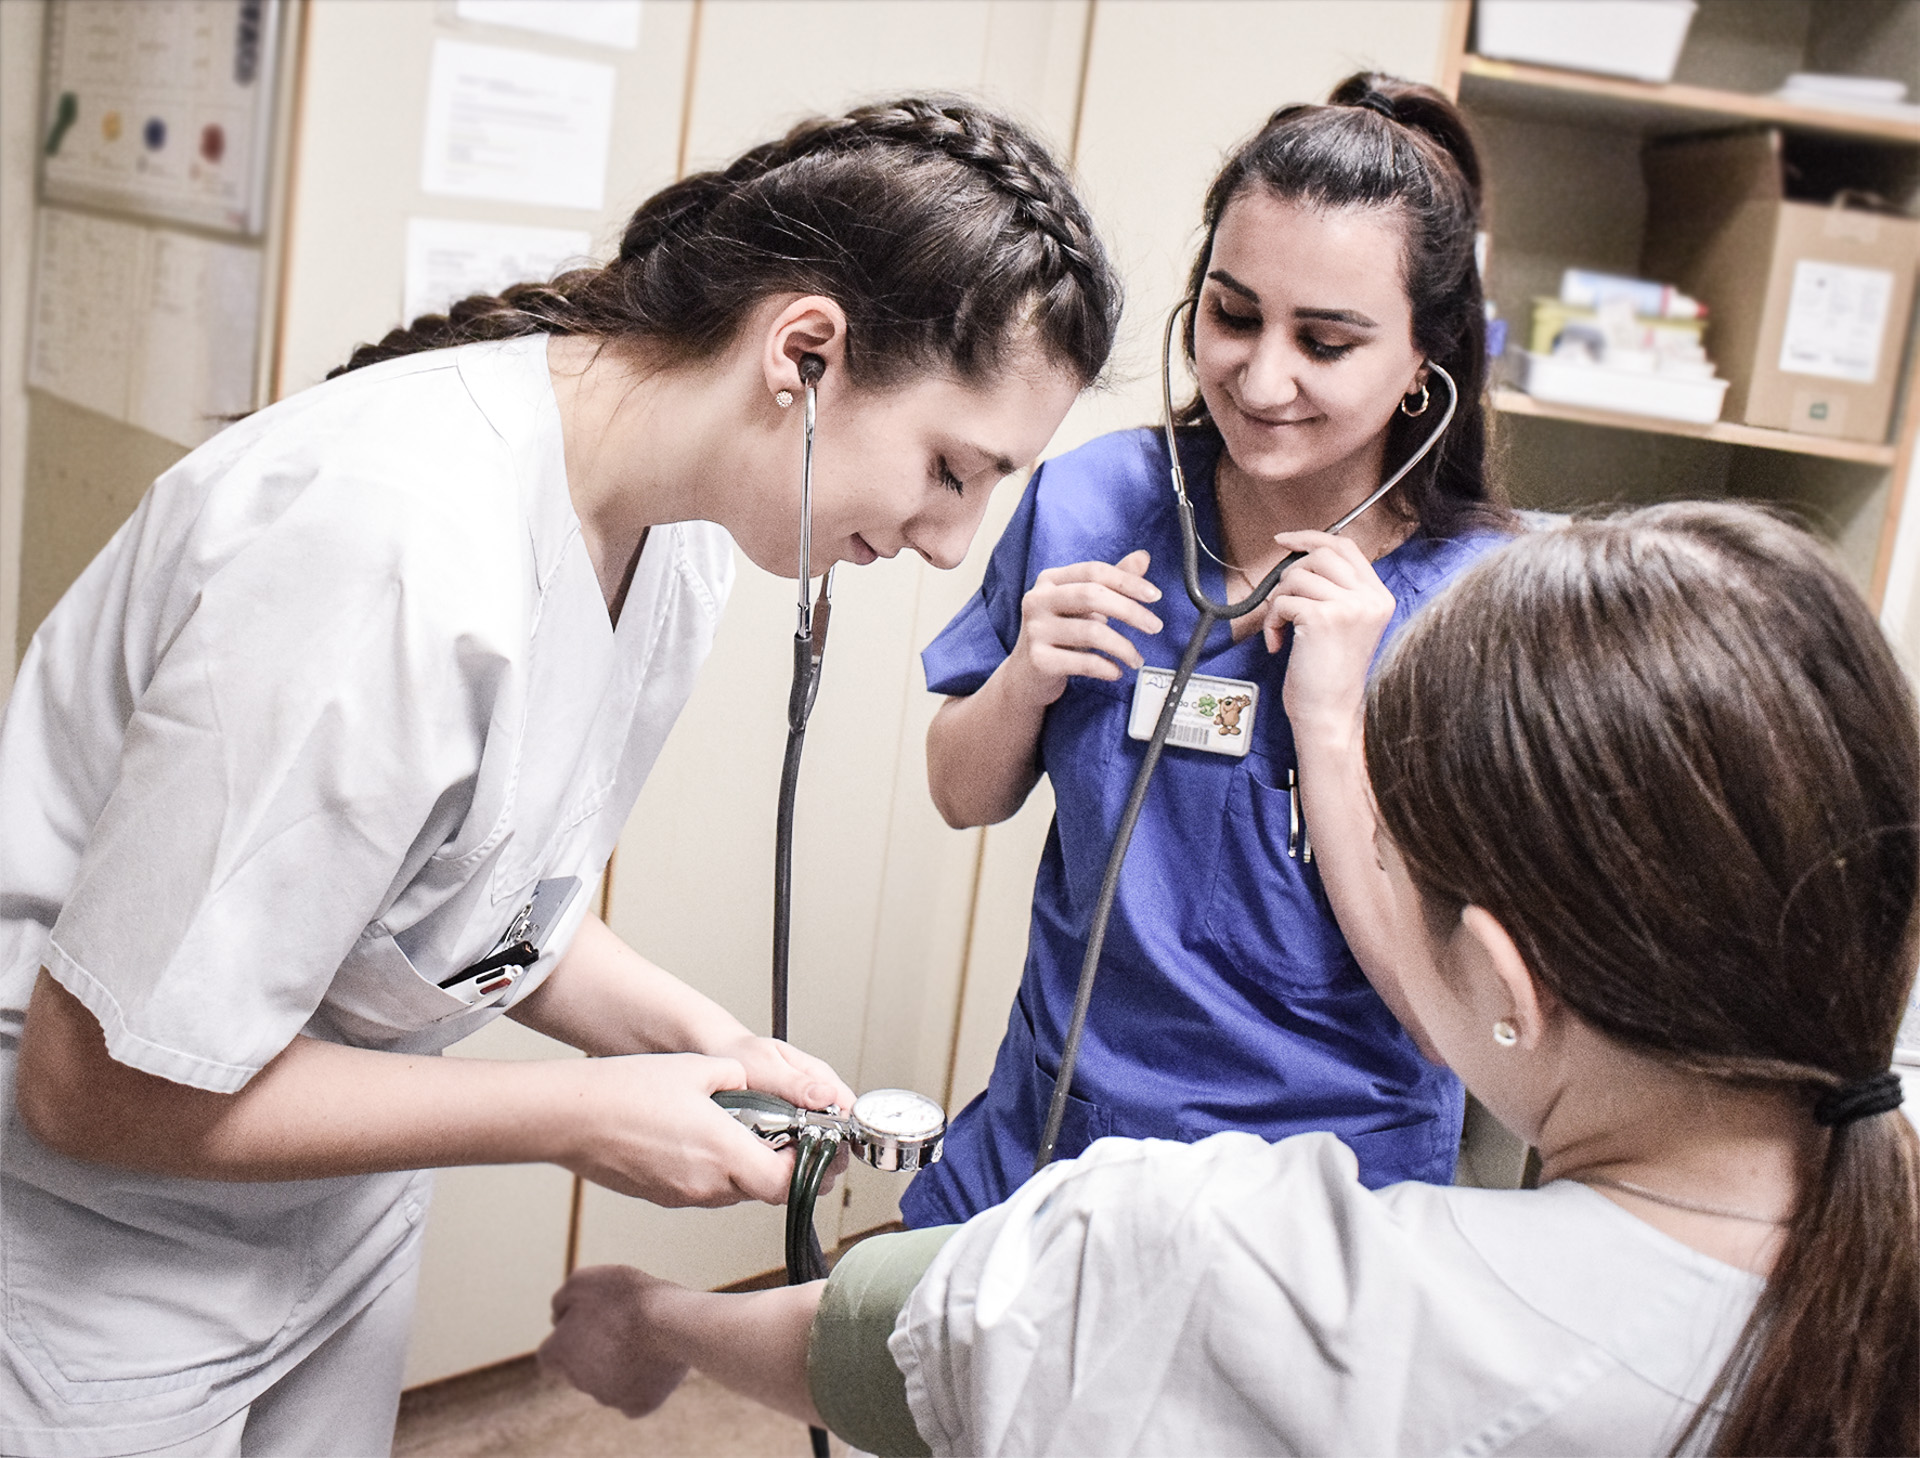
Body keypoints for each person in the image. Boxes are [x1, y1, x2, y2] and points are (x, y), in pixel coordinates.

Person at [0, 96, 1121, 1457]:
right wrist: (581, 1114)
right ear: (806, 352)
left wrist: (699, 1044)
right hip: (97, 1251)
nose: (953, 544)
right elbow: (97, 1080)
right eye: (952, 469)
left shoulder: (682, 537)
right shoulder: (386, 552)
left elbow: (480, 905)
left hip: (333, 1199)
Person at [537, 501, 1919, 1457]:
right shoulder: (1860, 1289)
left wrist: (658, 1320)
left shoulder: (1219, 1259)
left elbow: (917, 1338)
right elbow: (962, 780)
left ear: (1505, 974)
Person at [902, 74, 1510, 1228]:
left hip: (1315, 1194)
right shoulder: (1095, 500)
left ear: (1425, 360)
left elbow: (1454, 1024)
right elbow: (959, 793)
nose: (1261, 376)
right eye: (1234, 316)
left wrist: (1329, 728)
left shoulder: (1479, 609)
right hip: (1053, 1137)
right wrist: (1027, 678)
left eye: (1325, 342)